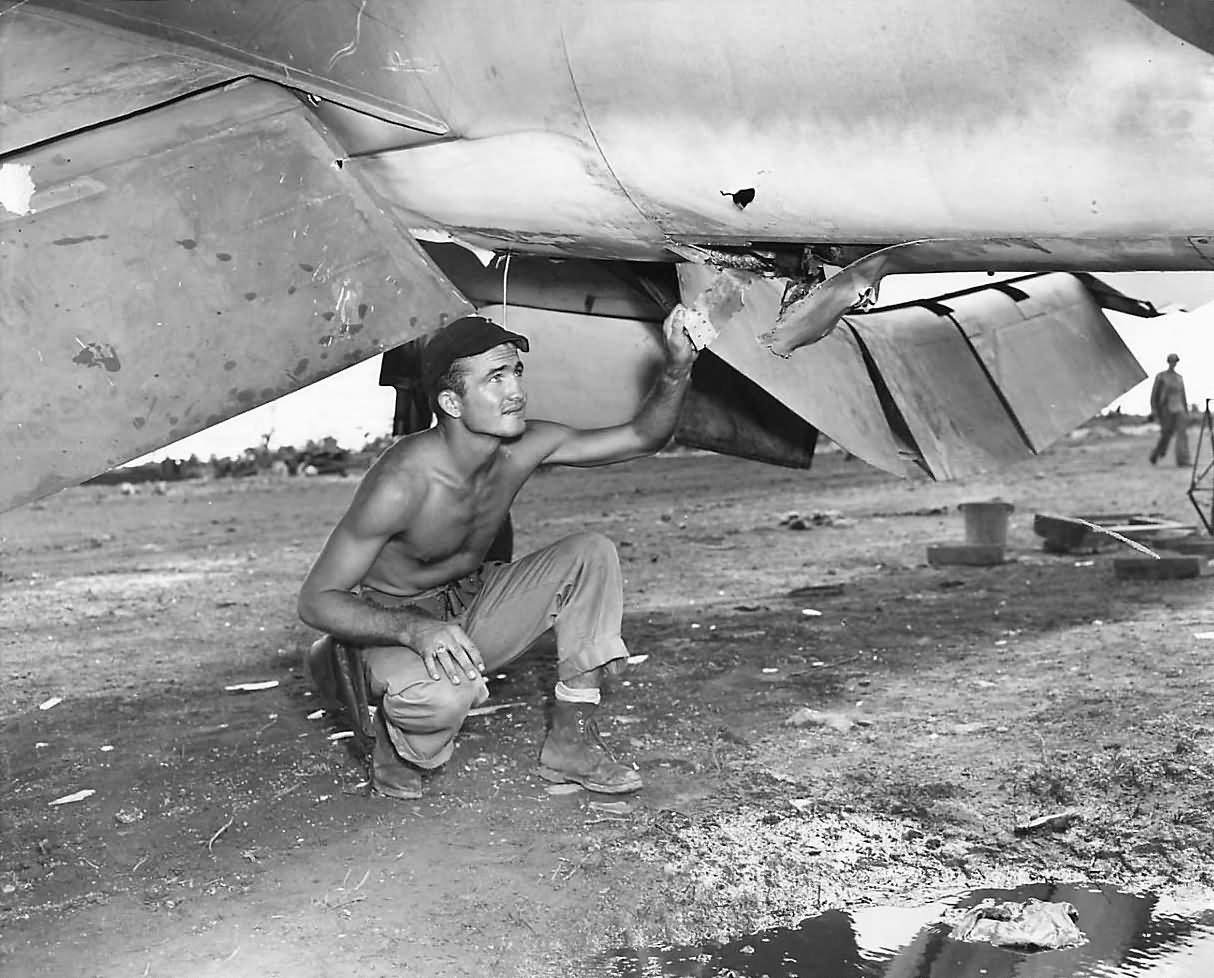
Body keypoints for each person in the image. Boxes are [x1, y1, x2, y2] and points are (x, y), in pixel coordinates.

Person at [298, 308, 704, 799]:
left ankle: (570, 743)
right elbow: (317, 600)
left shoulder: (524, 445)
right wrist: (414, 630)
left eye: (515, 371)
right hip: (397, 624)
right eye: (495, 378)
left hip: (471, 603)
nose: (516, 390)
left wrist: (678, 365)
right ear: (451, 401)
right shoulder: (402, 481)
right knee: (448, 695)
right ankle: (389, 736)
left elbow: (644, 437)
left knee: (590, 554)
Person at [1149, 353, 1191, 467]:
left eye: (1176, 361)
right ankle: (1155, 454)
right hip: (1166, 409)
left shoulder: (1179, 378)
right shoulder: (1161, 376)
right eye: (1172, 361)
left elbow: (1183, 395)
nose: (1174, 363)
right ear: (1168, 362)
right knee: (1166, 435)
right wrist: (1154, 410)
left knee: (1182, 434)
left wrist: (1186, 411)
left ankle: (1183, 460)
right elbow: (1154, 395)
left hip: (1179, 408)